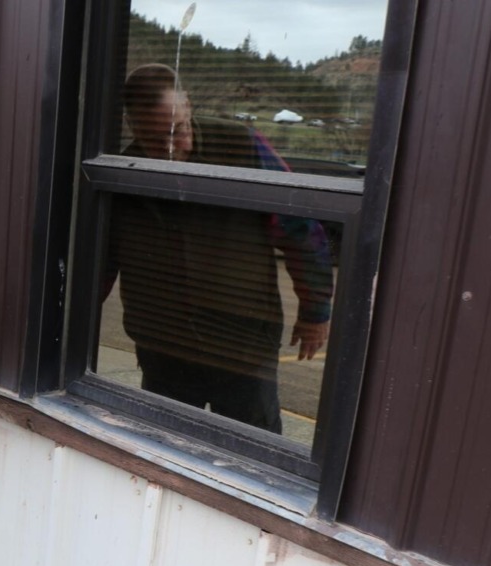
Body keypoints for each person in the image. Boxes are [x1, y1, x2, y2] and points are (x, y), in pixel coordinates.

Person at [102, 63, 335, 434]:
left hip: (242, 347)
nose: (170, 149)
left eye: (176, 131)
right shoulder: (120, 173)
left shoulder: (241, 144)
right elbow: (100, 261)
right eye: (154, 137)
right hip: (165, 348)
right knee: (166, 448)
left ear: (188, 104)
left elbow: (300, 227)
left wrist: (316, 311)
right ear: (132, 125)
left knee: (254, 450)